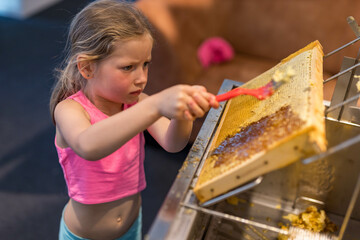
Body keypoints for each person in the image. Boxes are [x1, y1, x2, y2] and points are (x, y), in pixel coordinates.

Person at [49, 0, 219, 239]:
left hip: (131, 227)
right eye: (128, 67)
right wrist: (155, 104)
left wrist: (184, 114)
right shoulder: (69, 110)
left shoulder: (137, 104)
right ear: (87, 68)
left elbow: (174, 144)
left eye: (145, 64)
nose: (141, 78)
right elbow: (88, 145)